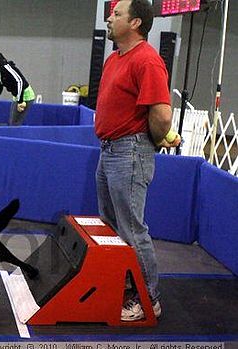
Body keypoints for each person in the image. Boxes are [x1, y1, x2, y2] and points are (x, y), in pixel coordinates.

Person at [95, 0, 181, 322]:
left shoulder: (147, 61)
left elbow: (161, 113)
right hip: (109, 151)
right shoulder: (114, 59)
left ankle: (149, 300)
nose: (110, 17)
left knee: (132, 229)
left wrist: (156, 140)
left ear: (135, 23)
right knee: (112, 226)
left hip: (129, 152)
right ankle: (127, 287)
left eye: (117, 13)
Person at [0, 50, 35, 126]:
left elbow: (20, 81)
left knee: (14, 124)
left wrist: (20, 101)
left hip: (26, 96)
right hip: (17, 96)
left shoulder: (6, 68)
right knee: (13, 123)